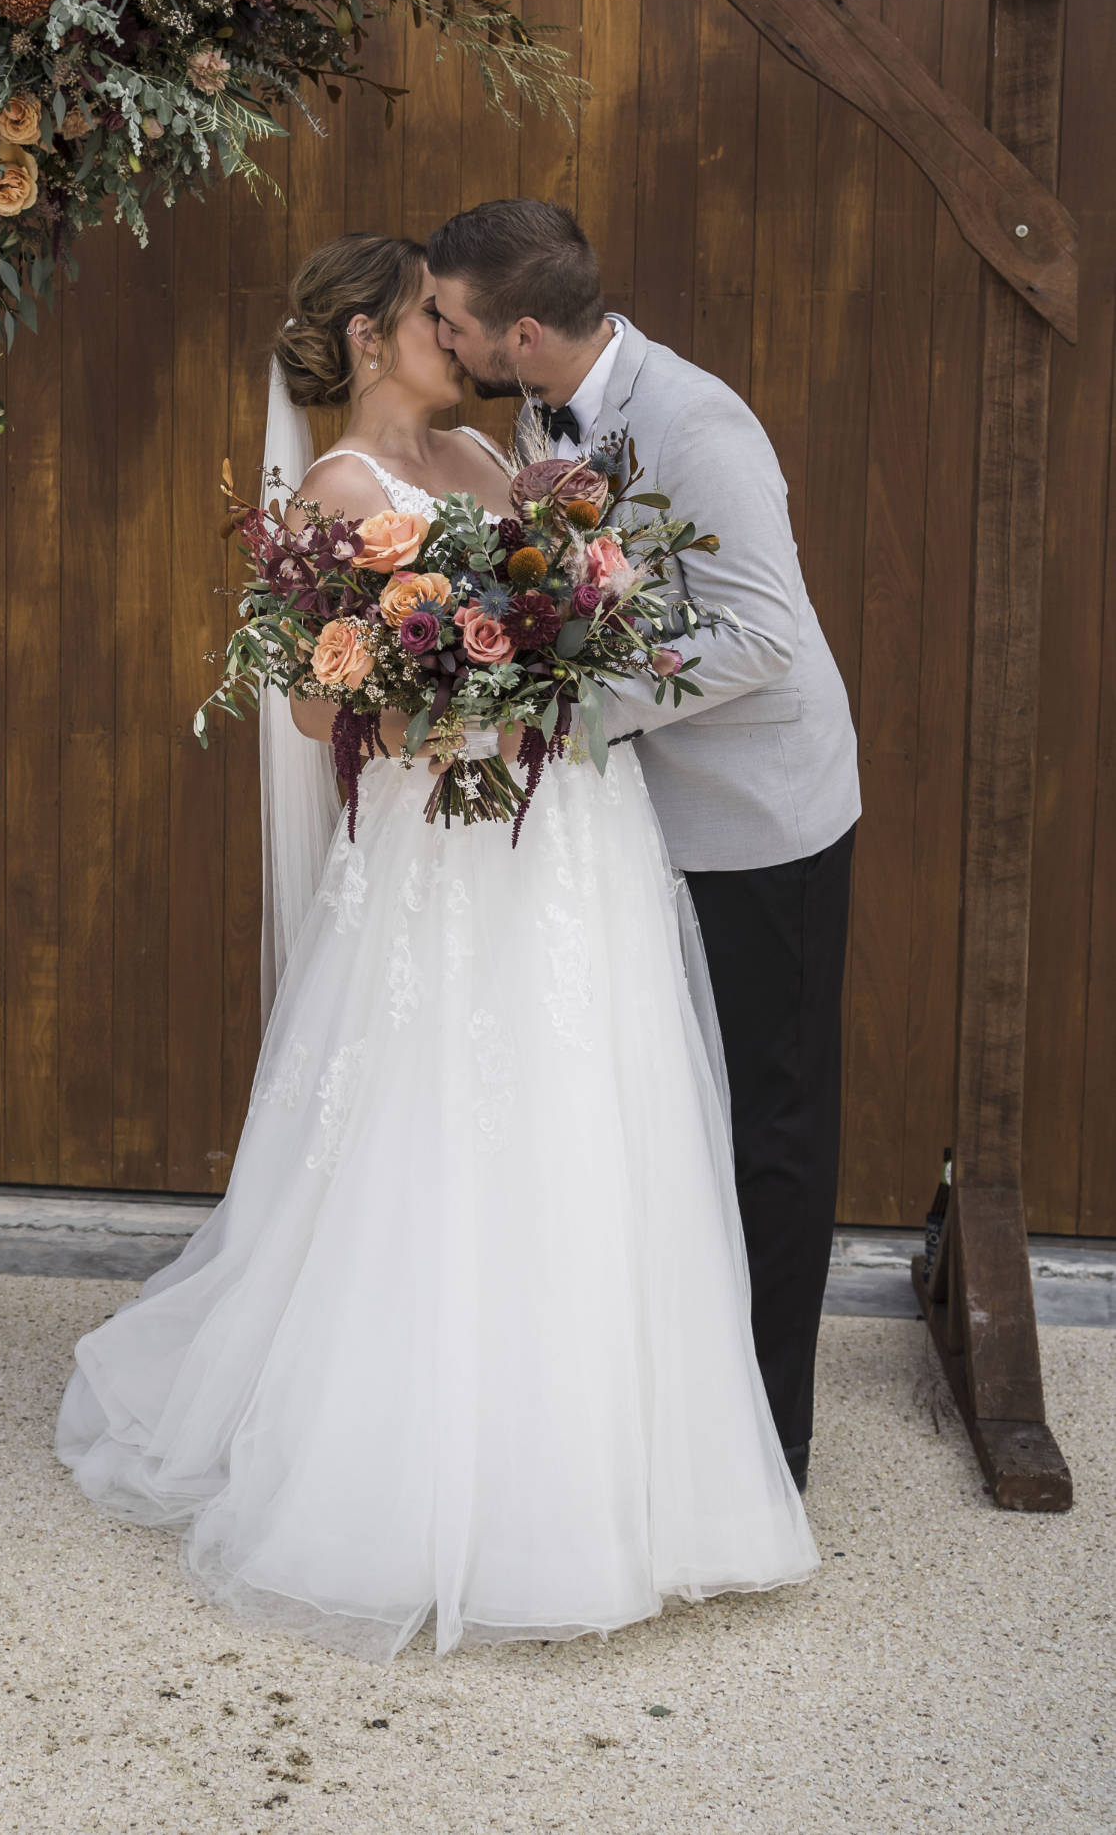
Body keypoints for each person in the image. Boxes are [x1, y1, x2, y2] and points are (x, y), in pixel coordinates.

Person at [56, 232, 818, 1663]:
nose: (455, 345)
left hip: (577, 836)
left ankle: (623, 1467)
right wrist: (461, 708)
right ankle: (439, 1473)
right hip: (455, 860)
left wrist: (565, 656)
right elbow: (310, 709)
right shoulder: (341, 492)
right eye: (428, 319)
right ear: (366, 340)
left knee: (598, 1124)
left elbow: (581, 616)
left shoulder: (499, 461)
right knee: (448, 1139)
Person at [427, 199, 861, 1494]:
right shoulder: (540, 413)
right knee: (678, 1114)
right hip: (649, 821)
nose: (439, 336)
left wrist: (575, 700)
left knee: (772, 1124)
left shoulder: (697, 420)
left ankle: (775, 1440)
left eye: (451, 317)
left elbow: (763, 636)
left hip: (761, 815)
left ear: (519, 328)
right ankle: (688, 1405)